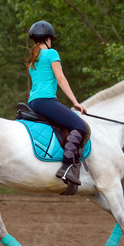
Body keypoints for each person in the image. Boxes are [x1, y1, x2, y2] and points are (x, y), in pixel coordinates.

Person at [26, 20, 88, 185]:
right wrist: (75, 102)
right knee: (80, 126)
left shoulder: (34, 59)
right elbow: (60, 78)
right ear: (48, 38)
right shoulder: (52, 53)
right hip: (46, 100)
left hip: (33, 102)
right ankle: (66, 167)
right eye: (51, 39)